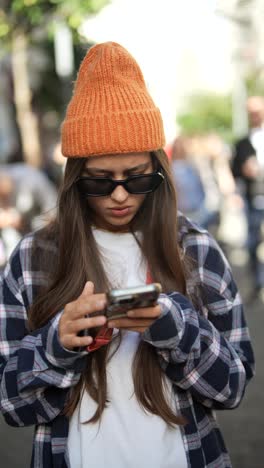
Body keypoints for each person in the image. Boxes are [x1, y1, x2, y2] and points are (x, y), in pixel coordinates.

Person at [0, 42, 254, 468]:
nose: (119, 195)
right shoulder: (32, 260)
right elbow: (10, 406)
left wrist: (176, 326)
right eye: (100, 181)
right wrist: (55, 343)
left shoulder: (196, 249)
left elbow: (232, 389)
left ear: (159, 172)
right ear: (74, 179)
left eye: (137, 179)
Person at [232, 95, 264, 298]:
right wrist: (243, 171)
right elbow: (234, 169)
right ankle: (258, 282)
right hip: (253, 197)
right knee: (253, 242)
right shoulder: (242, 143)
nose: (255, 115)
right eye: (251, 112)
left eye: (257, 111)